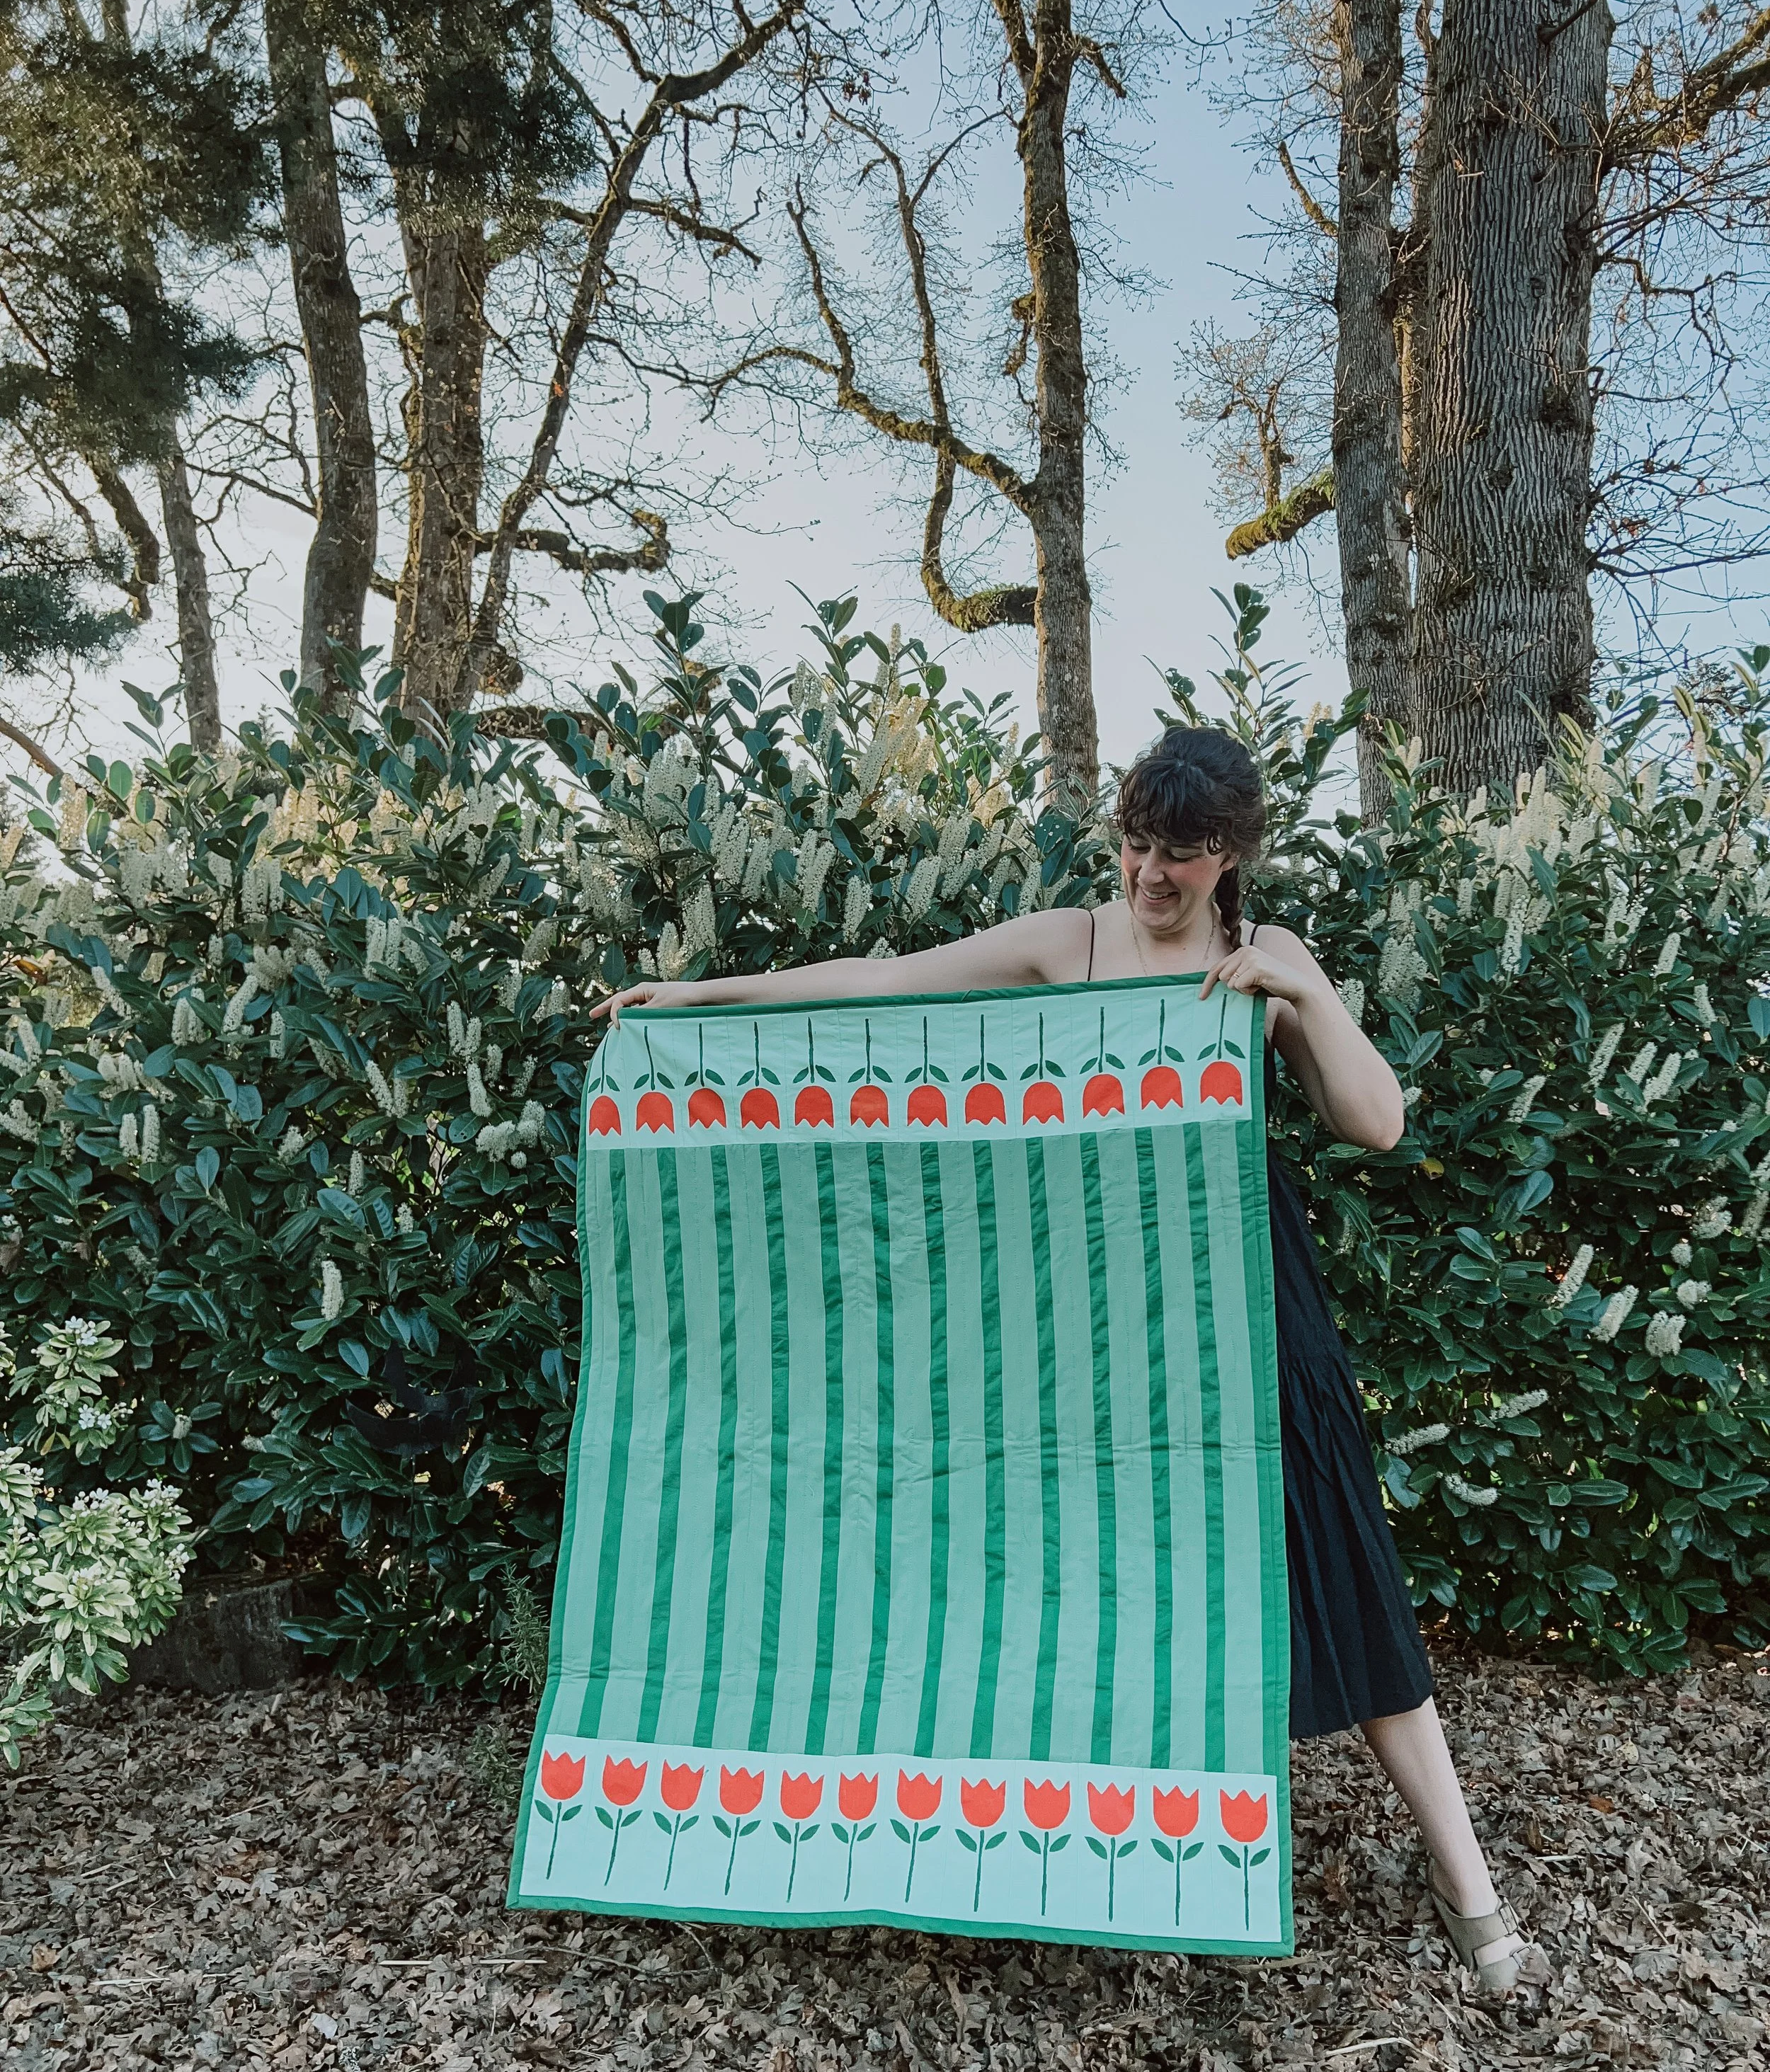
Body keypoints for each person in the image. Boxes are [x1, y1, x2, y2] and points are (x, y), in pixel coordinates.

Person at [592, 724, 1531, 1993]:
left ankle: (1464, 1879)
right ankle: (1085, 1853)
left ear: (1234, 855)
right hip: (1089, 1336)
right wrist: (698, 1002)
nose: (1151, 876)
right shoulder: (1069, 941)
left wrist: (1299, 997)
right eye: (1138, 846)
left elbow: (1375, 1123)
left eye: (1183, 857)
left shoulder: (1267, 958)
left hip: (1251, 1318)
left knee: (1339, 1570)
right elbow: (886, 982)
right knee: (1087, 1588)